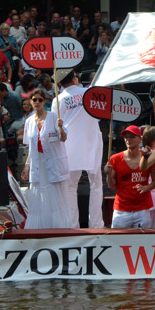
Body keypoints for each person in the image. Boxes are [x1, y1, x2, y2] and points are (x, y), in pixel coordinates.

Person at [53, 71, 104, 228]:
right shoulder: (89, 93)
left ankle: (72, 226)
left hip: (70, 145)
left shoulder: (58, 99)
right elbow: (99, 114)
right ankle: (96, 225)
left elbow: (57, 126)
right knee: (96, 183)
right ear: (75, 79)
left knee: (69, 187)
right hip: (91, 140)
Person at [22, 88, 75, 228]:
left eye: (40, 100)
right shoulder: (28, 122)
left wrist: (61, 127)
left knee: (55, 196)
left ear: (44, 101)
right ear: (31, 102)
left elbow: (63, 138)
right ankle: (40, 226)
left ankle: (58, 226)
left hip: (53, 163)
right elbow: (30, 147)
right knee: (39, 196)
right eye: (35, 100)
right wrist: (26, 166)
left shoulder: (53, 118)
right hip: (37, 163)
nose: (37, 102)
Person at [105, 125, 155, 228]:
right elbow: (111, 185)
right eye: (126, 137)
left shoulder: (147, 157)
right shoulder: (115, 159)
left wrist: (146, 187)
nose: (128, 139)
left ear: (140, 139)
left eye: (132, 137)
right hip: (121, 209)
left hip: (142, 208)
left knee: (143, 241)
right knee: (117, 241)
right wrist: (108, 175)